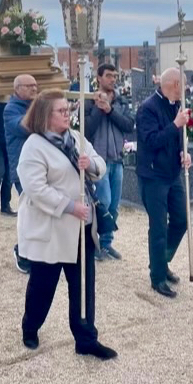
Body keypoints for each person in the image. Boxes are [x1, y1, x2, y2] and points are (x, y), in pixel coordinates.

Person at [17, 89, 116, 360]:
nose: (68, 114)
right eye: (61, 111)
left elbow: (100, 164)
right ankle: (31, 326)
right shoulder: (34, 146)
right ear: (44, 116)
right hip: (51, 228)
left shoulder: (75, 136)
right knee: (43, 286)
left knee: (84, 286)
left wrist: (91, 164)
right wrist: (70, 207)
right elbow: (35, 188)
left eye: (67, 109)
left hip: (81, 227)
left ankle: (86, 338)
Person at [136, 68, 192, 299]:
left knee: (181, 219)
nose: (186, 90)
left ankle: (160, 260)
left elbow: (178, 138)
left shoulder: (175, 106)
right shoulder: (148, 108)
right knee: (158, 227)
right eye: (184, 85)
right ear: (174, 84)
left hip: (172, 173)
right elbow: (151, 141)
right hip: (153, 176)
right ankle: (157, 276)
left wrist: (184, 153)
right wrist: (176, 125)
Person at [84, 63, 135, 261]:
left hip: (117, 159)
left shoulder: (121, 101)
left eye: (115, 76)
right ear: (98, 78)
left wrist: (110, 109)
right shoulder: (89, 101)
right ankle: (93, 244)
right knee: (102, 202)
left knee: (114, 205)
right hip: (99, 160)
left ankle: (107, 243)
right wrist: (99, 108)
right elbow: (87, 129)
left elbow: (128, 125)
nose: (113, 79)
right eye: (108, 76)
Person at [4, 74, 38, 273]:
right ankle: (22, 253)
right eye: (29, 86)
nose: (34, 89)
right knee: (29, 214)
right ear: (17, 89)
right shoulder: (11, 109)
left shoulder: (34, 105)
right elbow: (25, 127)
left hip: (39, 167)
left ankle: (35, 253)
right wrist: (41, 111)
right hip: (23, 169)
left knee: (38, 213)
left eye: (35, 85)